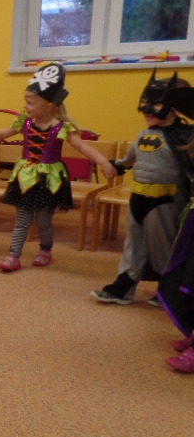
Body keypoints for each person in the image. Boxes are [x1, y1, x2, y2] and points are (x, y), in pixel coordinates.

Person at [0, 62, 118, 271]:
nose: (25, 106)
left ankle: (46, 249)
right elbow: (3, 133)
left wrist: (103, 162)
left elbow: (82, 146)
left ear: (48, 106)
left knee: (43, 221)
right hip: (25, 177)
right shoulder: (25, 122)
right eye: (25, 101)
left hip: (49, 180)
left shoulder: (60, 127)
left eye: (30, 103)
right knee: (22, 219)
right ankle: (13, 255)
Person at [90, 72, 194, 306]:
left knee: (164, 247)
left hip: (166, 202)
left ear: (175, 107)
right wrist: (114, 166)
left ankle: (168, 291)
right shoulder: (143, 135)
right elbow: (129, 159)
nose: (147, 109)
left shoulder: (185, 137)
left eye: (156, 103)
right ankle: (123, 288)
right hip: (138, 199)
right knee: (133, 244)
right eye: (146, 101)